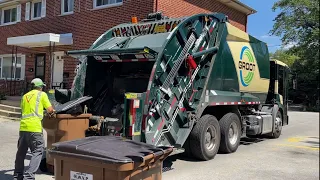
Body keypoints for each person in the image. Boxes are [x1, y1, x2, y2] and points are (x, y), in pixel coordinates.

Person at [13, 78, 55, 180]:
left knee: (21, 153)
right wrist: (52, 111)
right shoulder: (42, 95)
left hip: (23, 128)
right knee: (38, 151)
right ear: (40, 87)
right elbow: (50, 110)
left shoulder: (24, 96)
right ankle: (29, 176)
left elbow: (25, 111)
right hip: (35, 128)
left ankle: (18, 175)